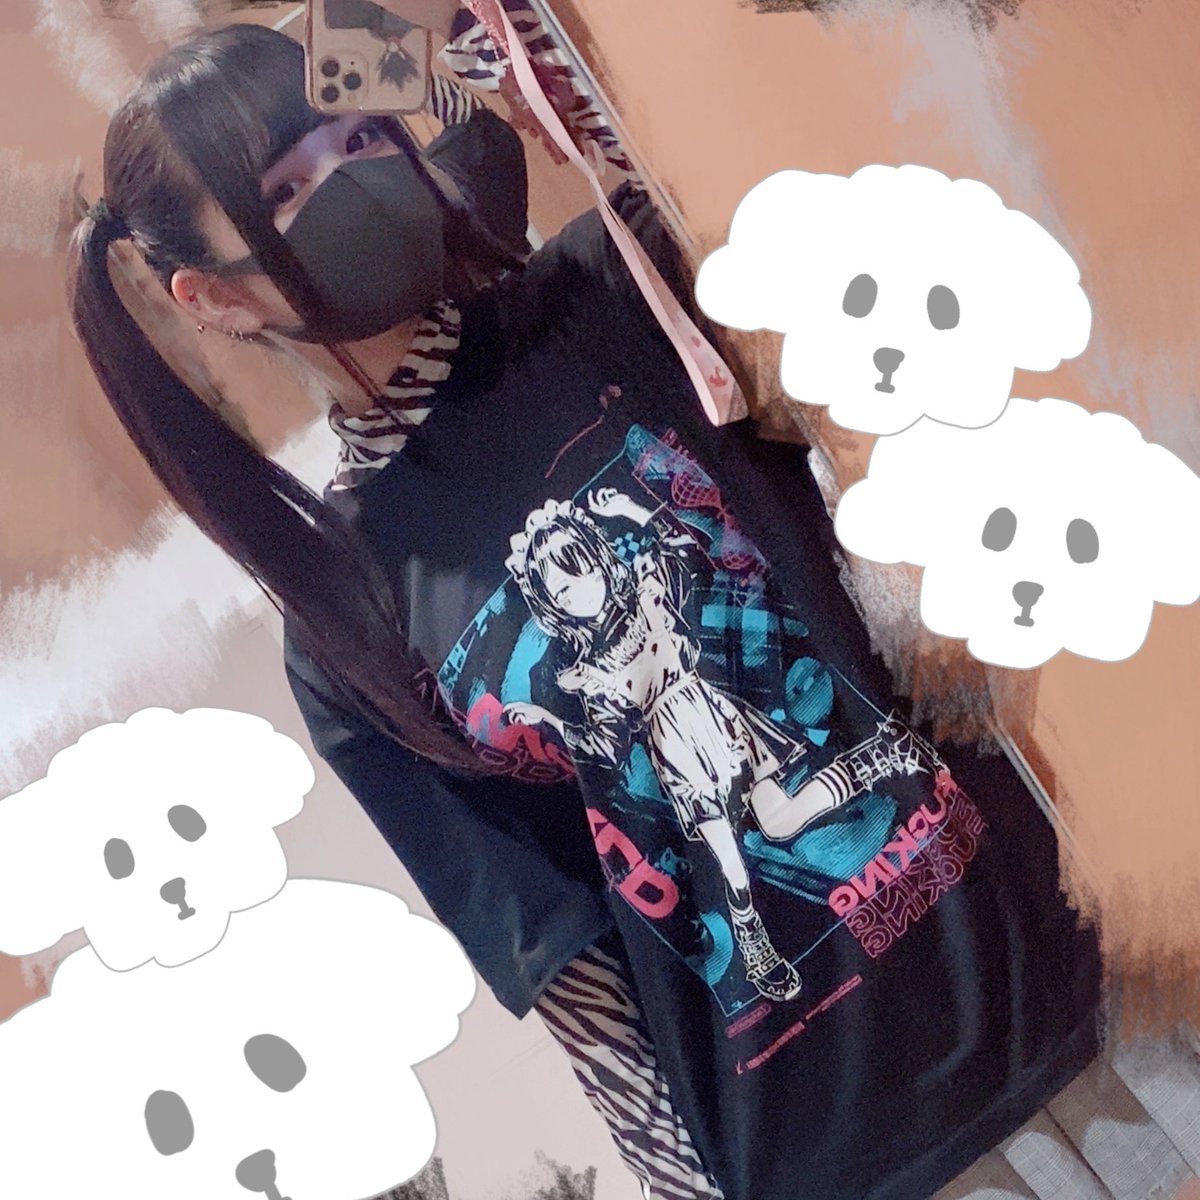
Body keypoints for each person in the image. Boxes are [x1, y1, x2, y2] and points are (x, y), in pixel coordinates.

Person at [68, 11, 1106, 1200]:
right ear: (214, 298)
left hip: (1064, 957)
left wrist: (403, 62)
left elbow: (769, 182)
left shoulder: (614, 289)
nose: (347, 179)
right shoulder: (343, 621)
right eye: (286, 190)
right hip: (833, 1155)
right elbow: (575, 974)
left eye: (353, 136)